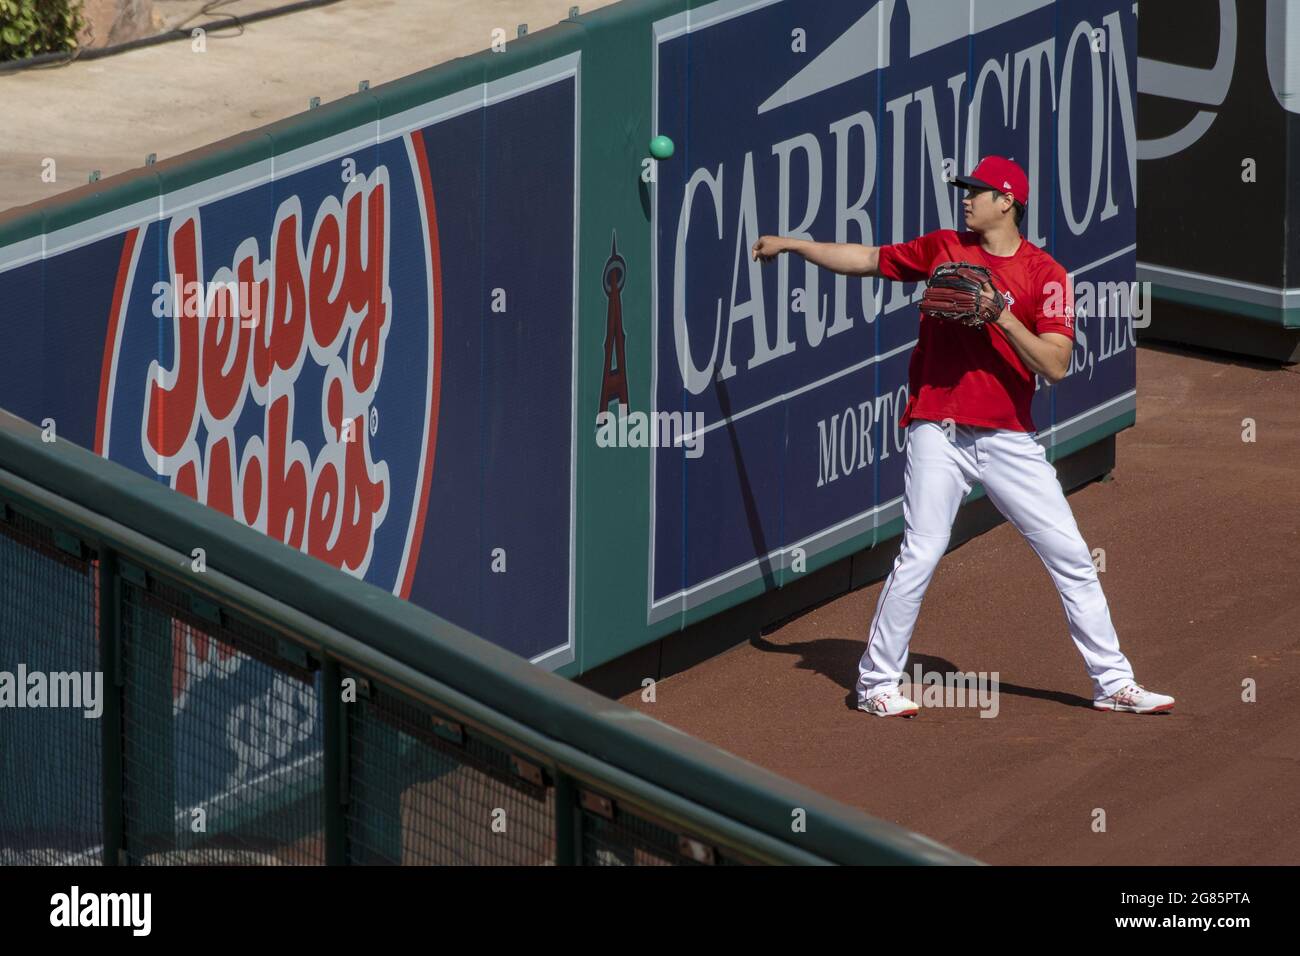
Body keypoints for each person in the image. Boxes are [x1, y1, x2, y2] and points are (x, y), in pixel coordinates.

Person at [751, 156, 1174, 718]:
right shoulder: (943, 248)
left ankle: (1113, 683)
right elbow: (869, 259)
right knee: (921, 552)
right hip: (938, 428)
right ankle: (877, 683)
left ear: (1008, 202)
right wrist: (796, 245)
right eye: (965, 189)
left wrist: (1000, 314)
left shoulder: (1046, 275)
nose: (966, 197)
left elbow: (1056, 364)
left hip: (1008, 439)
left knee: (1072, 555)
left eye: (976, 190)